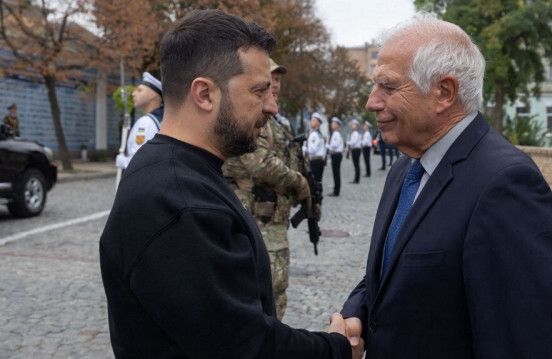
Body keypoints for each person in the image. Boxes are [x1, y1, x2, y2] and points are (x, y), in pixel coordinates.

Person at [100, 9, 362, 359]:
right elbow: (245, 347)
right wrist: (336, 349)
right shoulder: (177, 199)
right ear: (205, 94)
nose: (271, 106)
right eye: (259, 91)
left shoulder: (183, 172)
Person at [341, 13, 552, 358]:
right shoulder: (405, 168)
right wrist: (355, 315)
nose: (372, 101)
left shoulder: (505, 185)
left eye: (388, 86)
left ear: (444, 92)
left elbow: (522, 343)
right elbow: (394, 274)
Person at [222, 57, 309, 320]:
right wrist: (298, 181)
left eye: (279, 79)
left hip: (273, 220)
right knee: (263, 295)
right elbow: (259, 162)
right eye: (270, 79)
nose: (276, 84)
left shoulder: (276, 120)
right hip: (256, 219)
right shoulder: (248, 117)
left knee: (275, 292)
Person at [115, 72, 164, 170]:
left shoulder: (146, 122)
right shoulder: (162, 118)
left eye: (139, 90)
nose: (133, 94)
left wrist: (123, 161)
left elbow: (138, 161)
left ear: (152, 95)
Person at [305, 112, 326, 188]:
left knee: (314, 184)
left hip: (315, 161)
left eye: (313, 120)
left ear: (317, 123)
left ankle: (316, 199)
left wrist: (303, 149)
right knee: (317, 182)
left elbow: (312, 150)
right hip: (318, 161)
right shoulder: (318, 133)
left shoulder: (314, 135)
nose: (311, 121)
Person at [326, 117, 344, 196]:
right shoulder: (334, 133)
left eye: (333, 123)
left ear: (337, 125)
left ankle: (336, 190)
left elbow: (334, 145)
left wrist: (326, 145)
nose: (332, 125)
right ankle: (336, 189)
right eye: (332, 123)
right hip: (335, 154)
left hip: (336, 155)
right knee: (335, 173)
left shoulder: (336, 134)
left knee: (336, 173)